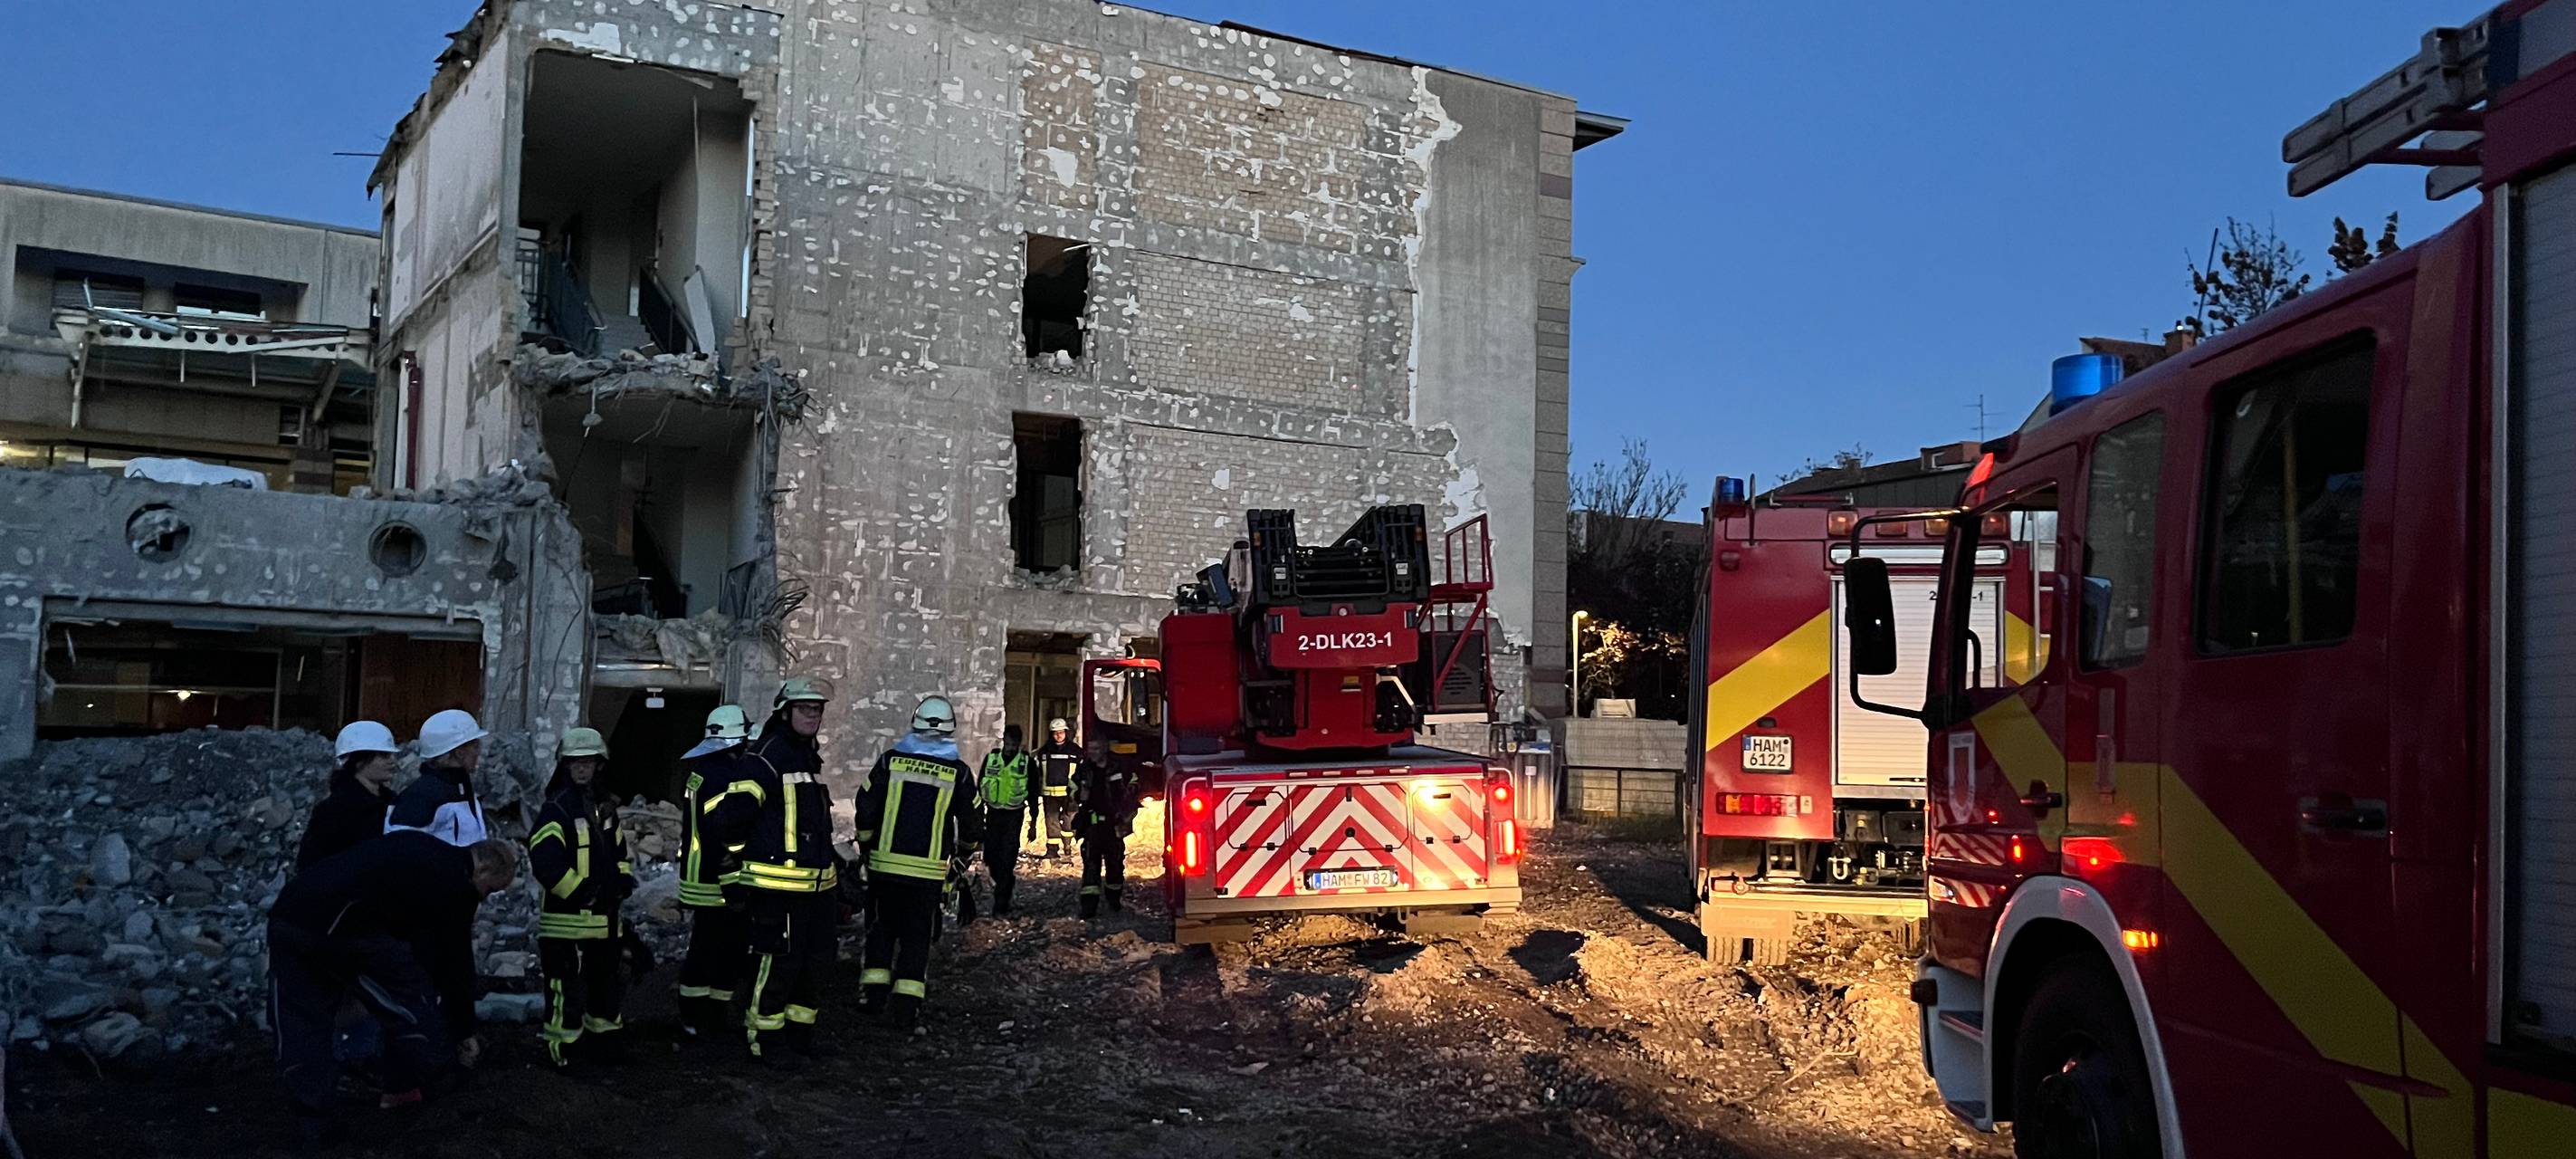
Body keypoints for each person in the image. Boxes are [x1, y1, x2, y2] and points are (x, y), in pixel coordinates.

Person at [267, 834, 517, 1148]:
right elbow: (453, 963)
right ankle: (437, 1087)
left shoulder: (417, 847)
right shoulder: (455, 883)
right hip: (344, 931)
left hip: (291, 915)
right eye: (490, 890)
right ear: (482, 870)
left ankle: (315, 1121)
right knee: (412, 1004)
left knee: (300, 1022)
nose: (484, 899)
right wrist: (464, 1028)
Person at [708, 676, 841, 1064]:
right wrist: (739, 864)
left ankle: (799, 1036)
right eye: (804, 709)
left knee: (815, 965)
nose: (812, 715)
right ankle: (765, 1040)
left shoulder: (806, 757)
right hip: (776, 886)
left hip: (816, 888)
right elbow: (732, 819)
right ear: (785, 712)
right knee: (778, 964)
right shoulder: (766, 756)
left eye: (817, 710)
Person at [854, 695, 978, 1029]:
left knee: (881, 930)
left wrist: (866, 847)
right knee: (916, 938)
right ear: (950, 730)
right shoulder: (959, 773)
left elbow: (865, 806)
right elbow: (972, 823)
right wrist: (963, 858)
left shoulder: (889, 762)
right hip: (927, 875)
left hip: (884, 869)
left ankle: (872, 996)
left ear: (915, 724)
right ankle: (906, 1009)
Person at [526, 728, 633, 1068]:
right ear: (566, 766)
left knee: (605, 989)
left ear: (599, 765)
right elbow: (544, 861)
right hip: (566, 925)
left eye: (589, 763)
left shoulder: (604, 807)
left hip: (605, 924)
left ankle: (605, 1046)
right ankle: (565, 1053)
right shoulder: (556, 808)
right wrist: (582, 893)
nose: (583, 770)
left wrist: (624, 880)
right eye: (577, 764)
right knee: (565, 993)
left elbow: (618, 850)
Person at [675, 704, 756, 1040]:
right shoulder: (725, 776)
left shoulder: (701, 770)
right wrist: (733, 881)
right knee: (720, 948)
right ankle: (703, 1016)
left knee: (708, 946)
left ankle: (701, 1015)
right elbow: (722, 832)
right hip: (716, 879)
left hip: (697, 874)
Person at [296, 721, 400, 870]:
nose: (392, 760)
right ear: (359, 761)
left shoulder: (392, 802)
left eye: (391, 754)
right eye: (384, 755)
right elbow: (311, 866)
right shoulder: (333, 812)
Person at [386, 708, 489, 845]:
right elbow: (401, 850)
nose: (479, 752)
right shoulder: (421, 796)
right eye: (475, 746)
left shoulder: (461, 788)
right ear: (459, 753)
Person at [1072, 734, 1140, 918]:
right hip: (1092, 825)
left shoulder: (1119, 766)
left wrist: (1128, 802)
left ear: (1104, 748)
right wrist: (1079, 794)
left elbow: (1134, 783)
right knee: (1091, 866)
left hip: (1114, 824)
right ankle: (1088, 908)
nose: (1092, 753)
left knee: (1115, 864)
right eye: (1090, 749)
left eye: (1096, 749)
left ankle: (1113, 901)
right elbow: (1072, 786)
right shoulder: (1085, 768)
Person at [976, 724, 1032, 915]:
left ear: (1018, 744)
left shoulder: (1026, 762)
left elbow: (1033, 791)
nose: (1009, 748)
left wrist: (1033, 822)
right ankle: (1004, 883)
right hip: (993, 814)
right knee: (991, 857)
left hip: (1013, 816)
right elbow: (980, 784)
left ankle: (1001, 902)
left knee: (1008, 858)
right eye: (1007, 743)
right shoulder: (992, 759)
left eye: (1013, 744)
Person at [1034, 718, 1083, 858]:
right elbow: (1038, 773)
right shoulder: (1043, 752)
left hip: (1070, 793)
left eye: (1061, 732)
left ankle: (1067, 846)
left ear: (1066, 732)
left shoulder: (1075, 751)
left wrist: (1079, 789)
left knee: (1069, 820)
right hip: (1049, 794)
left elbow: (1082, 771)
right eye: (1055, 733)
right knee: (1052, 821)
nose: (1058, 735)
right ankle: (1052, 850)